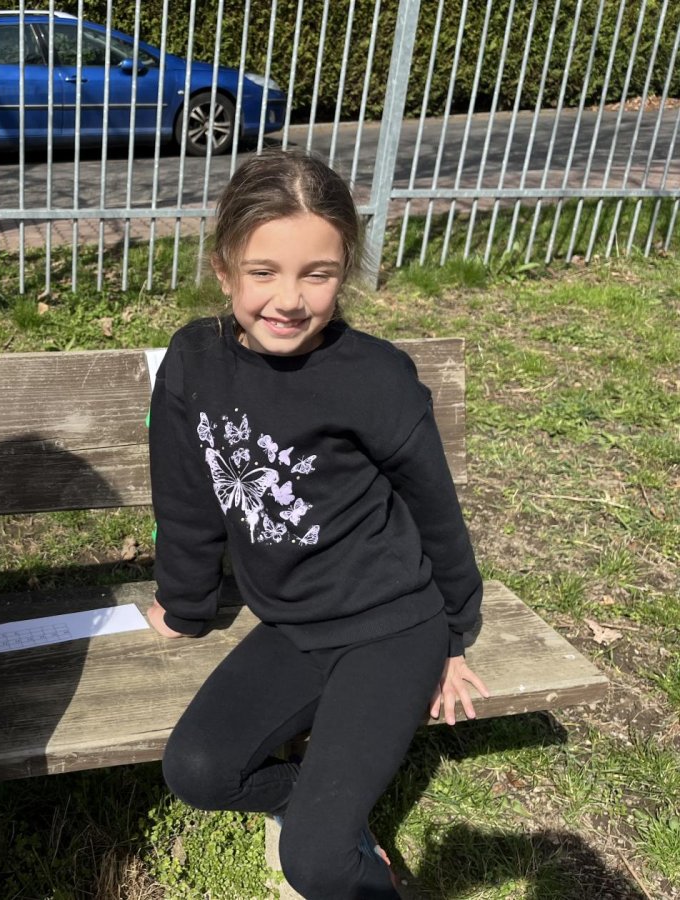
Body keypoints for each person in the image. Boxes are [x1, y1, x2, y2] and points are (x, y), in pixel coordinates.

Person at [146, 150, 489, 899]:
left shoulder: (374, 377)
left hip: (393, 626)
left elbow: (435, 507)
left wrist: (454, 637)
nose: (290, 299)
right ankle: (317, 805)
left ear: (345, 273)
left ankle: (333, 840)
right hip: (292, 625)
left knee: (316, 864)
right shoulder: (193, 363)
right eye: (263, 271)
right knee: (198, 772)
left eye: (318, 274)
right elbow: (186, 499)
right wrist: (184, 607)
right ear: (224, 268)